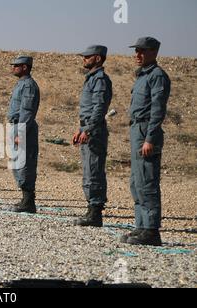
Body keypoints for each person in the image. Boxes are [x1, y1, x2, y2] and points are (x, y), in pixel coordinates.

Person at [121, 37, 171, 246]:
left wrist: (150, 138)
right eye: (137, 51)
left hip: (146, 131)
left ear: (154, 52)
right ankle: (141, 225)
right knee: (137, 181)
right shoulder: (142, 76)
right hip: (137, 129)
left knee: (148, 181)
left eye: (142, 51)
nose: (137, 55)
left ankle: (151, 230)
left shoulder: (157, 76)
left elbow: (157, 111)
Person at [72, 46, 113, 227]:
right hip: (88, 128)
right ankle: (91, 209)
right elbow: (88, 110)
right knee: (89, 170)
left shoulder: (100, 80)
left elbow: (99, 108)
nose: (84, 60)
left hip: (94, 131)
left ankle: (95, 212)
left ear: (97, 58)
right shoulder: (91, 79)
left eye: (87, 57)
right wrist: (80, 129)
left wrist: (87, 129)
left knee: (94, 170)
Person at [7, 56, 40, 214]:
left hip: (23, 127)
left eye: (17, 65)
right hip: (16, 125)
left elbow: (27, 110)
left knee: (24, 163)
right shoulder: (21, 84)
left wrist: (21, 132)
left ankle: (28, 201)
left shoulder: (28, 85)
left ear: (25, 67)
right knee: (17, 163)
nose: (13, 67)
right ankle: (25, 198)